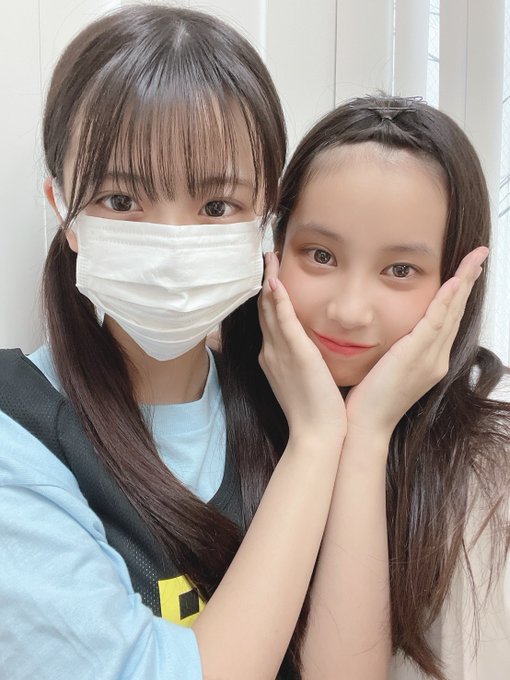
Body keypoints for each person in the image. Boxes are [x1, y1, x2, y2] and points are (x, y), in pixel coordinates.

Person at [0, 5, 486, 678]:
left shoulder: (279, 402)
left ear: (265, 218)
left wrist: (350, 431)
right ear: (63, 209)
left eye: (216, 206)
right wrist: (317, 440)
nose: (172, 242)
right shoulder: (20, 428)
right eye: (122, 201)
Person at [221, 95, 510, 680]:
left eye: (400, 270)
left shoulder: (488, 466)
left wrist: (367, 433)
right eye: (320, 255)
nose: (349, 311)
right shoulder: (207, 406)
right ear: (274, 248)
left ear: (457, 282)